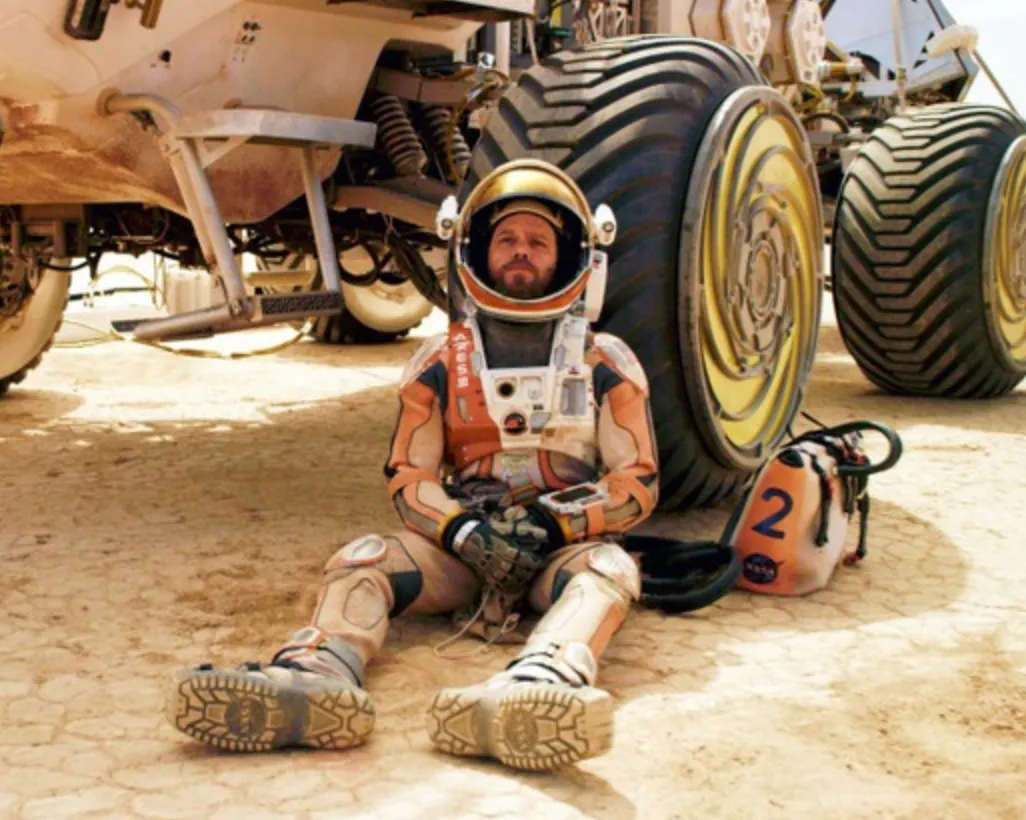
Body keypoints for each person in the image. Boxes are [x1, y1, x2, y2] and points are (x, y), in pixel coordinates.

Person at [166, 158, 658, 771]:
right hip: (462, 551)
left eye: (538, 242)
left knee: (609, 567)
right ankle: (314, 675)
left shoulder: (606, 360)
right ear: (475, 252)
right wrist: (463, 531)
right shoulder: (438, 360)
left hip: (557, 552)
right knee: (364, 558)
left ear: (571, 259)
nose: (521, 251)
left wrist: (554, 524)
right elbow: (409, 475)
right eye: (506, 238)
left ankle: (541, 683)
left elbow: (636, 480)